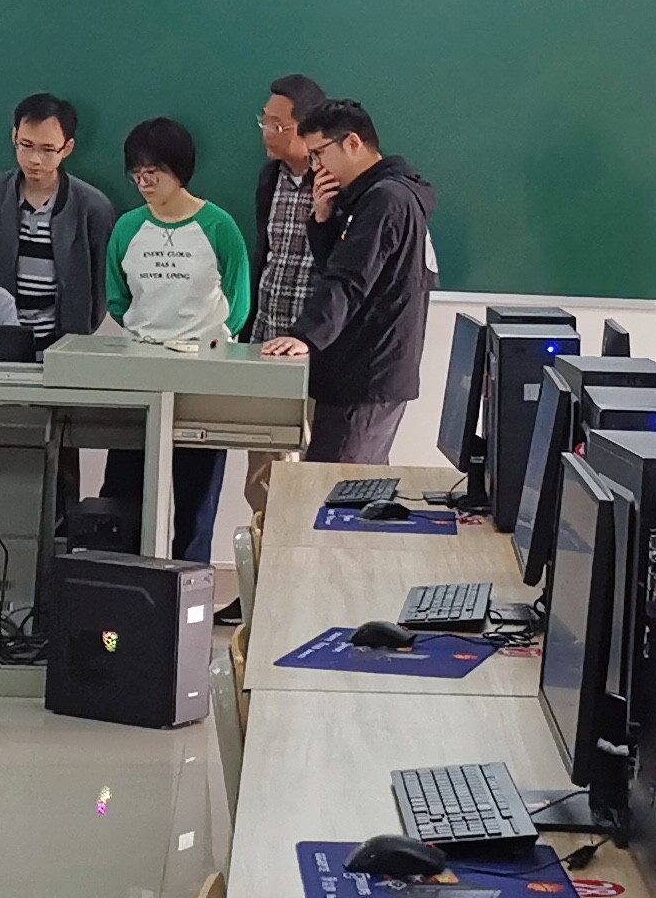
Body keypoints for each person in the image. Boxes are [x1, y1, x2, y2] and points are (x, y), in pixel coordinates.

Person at [95, 117, 251, 560]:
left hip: (205, 374)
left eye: (154, 173)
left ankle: (188, 584)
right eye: (137, 174)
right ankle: (121, 579)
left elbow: (239, 300)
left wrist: (205, 341)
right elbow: (118, 298)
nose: (143, 183)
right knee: (122, 492)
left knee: (196, 502)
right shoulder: (128, 227)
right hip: (140, 370)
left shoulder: (218, 226)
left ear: (180, 171)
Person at [258, 99, 438, 465]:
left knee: (335, 487)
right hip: (362, 371)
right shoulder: (369, 197)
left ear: (353, 143)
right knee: (350, 484)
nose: (316, 167)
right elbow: (344, 265)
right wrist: (324, 220)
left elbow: (350, 279)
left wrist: (305, 335)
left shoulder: (386, 199)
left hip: (366, 374)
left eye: (319, 154)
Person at [239, 73, 327, 517]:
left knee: (314, 472)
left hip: (315, 349)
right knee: (263, 474)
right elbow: (265, 253)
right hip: (267, 339)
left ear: (308, 129)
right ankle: (264, 555)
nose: (267, 133)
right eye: (264, 121)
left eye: (278, 125)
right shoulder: (269, 177)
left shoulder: (335, 182)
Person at [0, 93, 117, 352]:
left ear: (67, 148)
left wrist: (80, 336)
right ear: (14, 136)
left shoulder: (92, 207)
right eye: (26, 145)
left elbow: (100, 286)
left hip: (66, 346)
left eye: (48, 149)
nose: (34, 159)